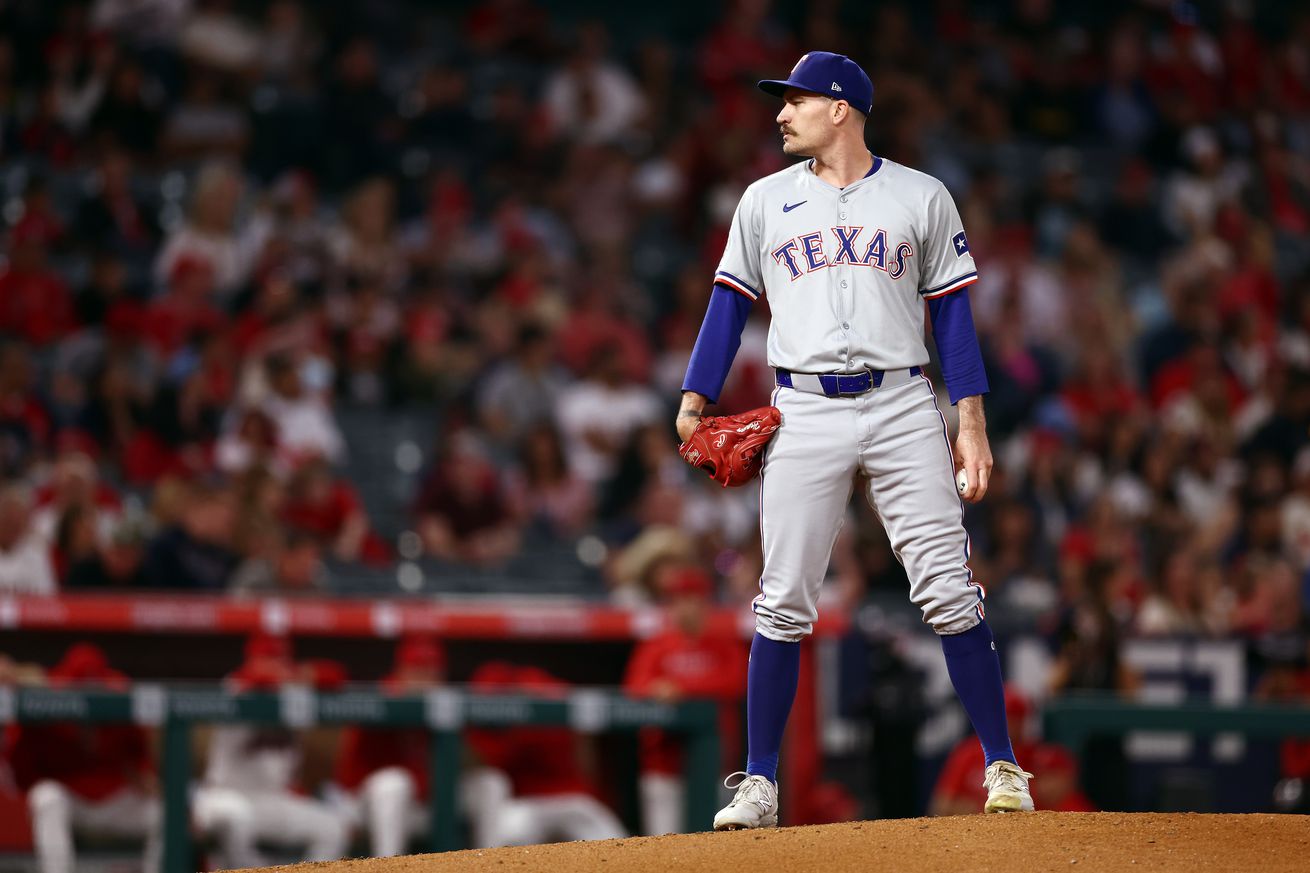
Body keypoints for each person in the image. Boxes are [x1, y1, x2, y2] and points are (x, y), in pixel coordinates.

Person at [675, 51, 1032, 829]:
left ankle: (1003, 766)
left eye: (795, 100)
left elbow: (954, 319)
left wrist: (970, 420)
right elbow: (729, 305)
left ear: (840, 107)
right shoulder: (764, 202)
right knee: (783, 598)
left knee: (947, 586)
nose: (780, 113)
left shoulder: (921, 195)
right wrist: (695, 395)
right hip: (803, 407)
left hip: (904, 399)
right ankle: (760, 783)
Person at [191, 634, 348, 868]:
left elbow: (336, 676)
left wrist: (297, 675)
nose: (273, 665)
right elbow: (257, 677)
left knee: (333, 828)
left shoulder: (294, 692)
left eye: (278, 659)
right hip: (225, 795)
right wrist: (287, 676)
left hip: (273, 799)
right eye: (267, 659)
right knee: (235, 818)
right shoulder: (235, 686)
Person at [10, 643, 161, 873]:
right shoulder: (47, 697)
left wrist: (146, 778)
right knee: (47, 797)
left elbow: (141, 759)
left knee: (164, 815)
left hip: (115, 802)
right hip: (72, 802)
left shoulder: (121, 693)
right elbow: (22, 769)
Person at [623, 567, 746, 834]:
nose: (685, 608)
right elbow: (634, 687)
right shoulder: (655, 646)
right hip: (664, 768)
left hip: (714, 767)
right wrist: (655, 689)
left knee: (715, 849)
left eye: (692, 599)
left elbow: (736, 682)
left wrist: (680, 688)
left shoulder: (724, 645)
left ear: (705, 604)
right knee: (664, 847)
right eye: (678, 601)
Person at [462, 662, 626, 847]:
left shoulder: (543, 691)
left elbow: (582, 725)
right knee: (508, 833)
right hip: (526, 804)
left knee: (613, 839)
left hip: (572, 798)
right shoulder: (490, 731)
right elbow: (482, 760)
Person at [331, 636, 444, 857]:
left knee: (488, 783)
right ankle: (388, 864)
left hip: (417, 803)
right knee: (394, 783)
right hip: (364, 803)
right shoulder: (381, 697)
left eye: (430, 670)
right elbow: (350, 774)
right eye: (417, 669)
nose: (424, 678)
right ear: (401, 670)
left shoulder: (441, 704)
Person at [931, 689, 1094, 815]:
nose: (1010, 725)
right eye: (1006, 717)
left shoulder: (1036, 755)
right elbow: (940, 804)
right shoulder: (968, 752)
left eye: (1016, 718)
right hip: (971, 835)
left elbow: (1063, 795)